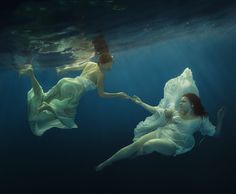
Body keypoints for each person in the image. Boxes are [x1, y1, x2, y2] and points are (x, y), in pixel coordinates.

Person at [96, 68, 225, 171]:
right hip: (162, 132)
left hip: (176, 145)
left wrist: (220, 119)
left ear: (192, 104)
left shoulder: (201, 118)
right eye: (180, 101)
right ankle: (107, 162)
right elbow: (155, 110)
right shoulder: (175, 112)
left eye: (183, 102)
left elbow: (215, 133)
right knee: (134, 145)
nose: (180, 104)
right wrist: (140, 103)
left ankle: (137, 155)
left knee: (148, 145)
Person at [19, 52, 130, 136]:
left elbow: (72, 67)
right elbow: (101, 94)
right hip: (75, 89)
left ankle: (31, 75)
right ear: (104, 63)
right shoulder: (101, 75)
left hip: (66, 81)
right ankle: (49, 107)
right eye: (110, 64)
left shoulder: (90, 63)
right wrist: (118, 94)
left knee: (44, 96)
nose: (111, 66)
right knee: (67, 116)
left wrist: (62, 69)